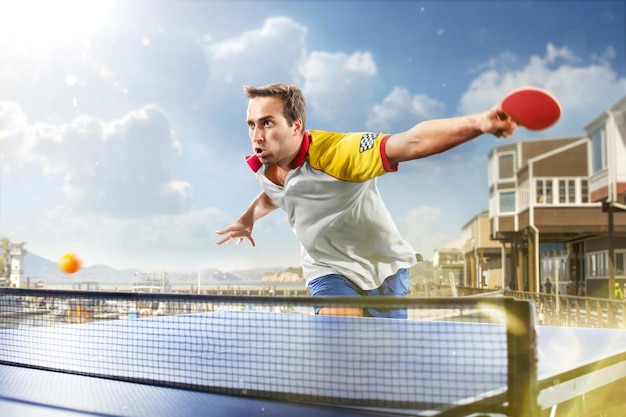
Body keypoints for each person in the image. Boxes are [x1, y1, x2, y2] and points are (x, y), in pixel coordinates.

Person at [216, 83, 518, 318]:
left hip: (384, 269)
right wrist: (247, 219)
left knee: (382, 360)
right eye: (251, 124)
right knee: (342, 342)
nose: (256, 135)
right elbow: (276, 193)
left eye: (267, 123)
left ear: (296, 127)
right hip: (327, 270)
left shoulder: (339, 153)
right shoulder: (266, 164)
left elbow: (411, 141)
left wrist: (479, 123)